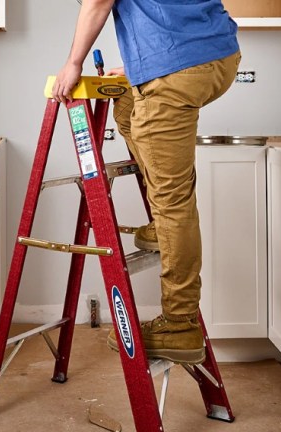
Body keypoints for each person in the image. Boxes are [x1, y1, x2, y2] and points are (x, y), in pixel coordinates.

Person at [51, 0, 241, 365]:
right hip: (218, 57)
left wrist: (73, 62)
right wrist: (143, 65)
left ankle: (180, 324)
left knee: (174, 201)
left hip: (178, 68)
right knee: (128, 104)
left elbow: (98, 2)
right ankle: (162, 229)